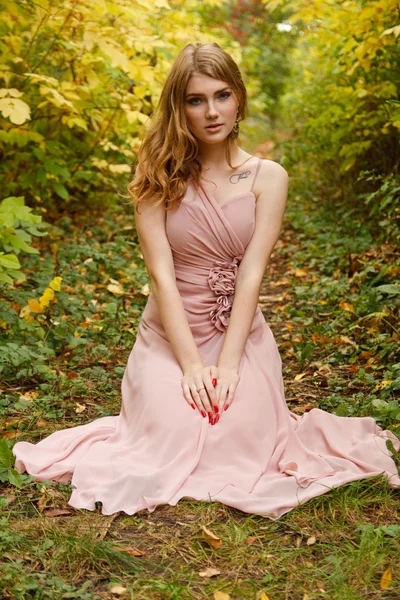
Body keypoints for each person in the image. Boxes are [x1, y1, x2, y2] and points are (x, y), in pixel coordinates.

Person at [13, 43, 400, 518]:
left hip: (240, 334)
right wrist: (193, 367)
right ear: (179, 108)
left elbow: (253, 272)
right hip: (169, 335)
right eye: (196, 100)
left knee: (238, 435)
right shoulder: (158, 175)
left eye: (222, 95)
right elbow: (161, 276)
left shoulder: (268, 177)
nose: (211, 111)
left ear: (238, 98)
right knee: (172, 433)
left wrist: (231, 365)